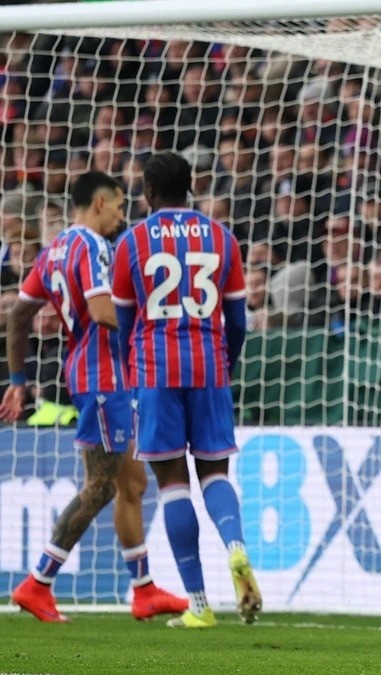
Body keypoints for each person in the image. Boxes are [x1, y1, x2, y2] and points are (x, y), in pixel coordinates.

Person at [3, 170, 189, 622]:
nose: (123, 216)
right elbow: (105, 313)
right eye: (121, 206)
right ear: (101, 203)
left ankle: (144, 589)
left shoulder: (54, 250)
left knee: (132, 482)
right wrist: (154, 328)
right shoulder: (93, 247)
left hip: (91, 374)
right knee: (101, 485)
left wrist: (17, 379)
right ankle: (38, 582)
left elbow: (19, 315)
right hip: (104, 377)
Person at [110, 152, 260, 629]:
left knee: (173, 485)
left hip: (156, 371)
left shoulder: (132, 242)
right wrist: (224, 364)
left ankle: (198, 604)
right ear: (191, 186)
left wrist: (132, 370)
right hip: (210, 366)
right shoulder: (222, 237)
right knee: (215, 475)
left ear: (149, 191)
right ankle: (235, 547)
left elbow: (123, 323)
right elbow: (238, 321)